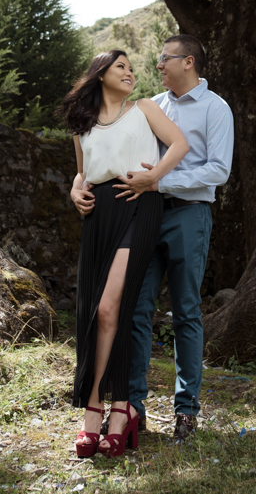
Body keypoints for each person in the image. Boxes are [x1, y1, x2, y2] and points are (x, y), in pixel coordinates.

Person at [73, 35, 233, 443]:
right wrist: (79, 187)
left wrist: (159, 182)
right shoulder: (151, 105)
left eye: (165, 58)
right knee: (135, 309)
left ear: (188, 61)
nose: (157, 65)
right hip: (142, 215)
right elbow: (102, 151)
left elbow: (219, 170)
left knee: (186, 312)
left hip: (188, 214)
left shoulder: (216, 108)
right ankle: (133, 408)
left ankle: (186, 411)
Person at [61, 49, 188, 458]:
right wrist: (75, 191)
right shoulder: (82, 124)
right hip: (98, 215)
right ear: (100, 74)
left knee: (110, 307)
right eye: (121, 67)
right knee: (94, 310)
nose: (130, 73)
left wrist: (154, 178)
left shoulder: (145, 108)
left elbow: (180, 144)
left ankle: (111, 409)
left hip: (136, 204)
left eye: (131, 68)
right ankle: (107, 407)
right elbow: (83, 172)